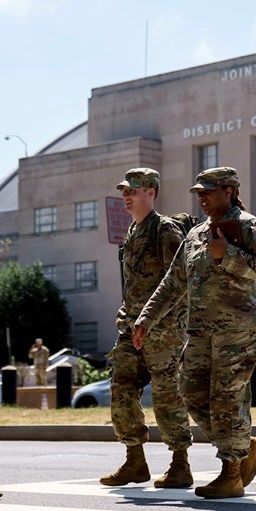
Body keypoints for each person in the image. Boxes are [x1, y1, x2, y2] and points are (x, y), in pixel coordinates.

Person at [133, 167, 256, 499]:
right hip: (199, 331)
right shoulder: (195, 235)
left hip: (237, 329)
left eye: (208, 192)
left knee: (226, 399)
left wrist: (229, 255)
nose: (202, 198)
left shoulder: (247, 225)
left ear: (229, 190)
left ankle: (231, 473)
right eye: (199, 193)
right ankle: (244, 447)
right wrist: (145, 319)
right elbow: (172, 283)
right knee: (192, 393)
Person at [100, 168, 193, 489]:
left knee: (167, 395)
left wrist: (152, 319)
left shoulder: (165, 231)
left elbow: (180, 282)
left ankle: (180, 463)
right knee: (121, 389)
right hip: (130, 327)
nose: (126, 196)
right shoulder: (132, 232)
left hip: (163, 329)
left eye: (133, 190)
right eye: (124, 191)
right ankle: (135, 460)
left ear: (151, 192)